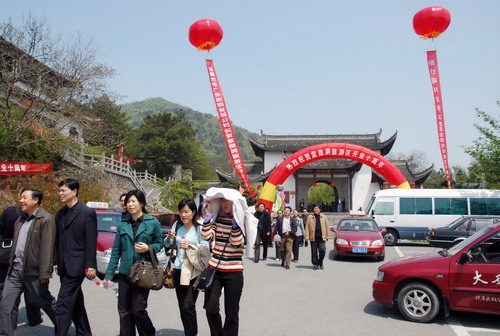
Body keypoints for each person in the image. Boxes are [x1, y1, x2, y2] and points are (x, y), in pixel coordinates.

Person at [103, 189, 162, 336]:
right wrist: (108, 275)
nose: (130, 204)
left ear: (142, 203)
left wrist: (149, 248)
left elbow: (160, 243)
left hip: (143, 272)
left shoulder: (152, 222)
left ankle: (148, 332)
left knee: (138, 310)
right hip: (125, 272)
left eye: (133, 201)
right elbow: (116, 251)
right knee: (124, 310)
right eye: (128, 202)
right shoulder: (123, 225)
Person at [201, 187, 258, 336]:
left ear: (235, 204)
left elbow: (237, 243)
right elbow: (206, 236)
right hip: (215, 269)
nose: (225, 203)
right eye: (223, 200)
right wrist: (207, 218)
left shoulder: (241, 221)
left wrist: (235, 224)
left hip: (234, 271)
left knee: (231, 312)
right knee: (210, 308)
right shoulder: (217, 218)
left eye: (228, 201)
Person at [0, 189, 57, 335]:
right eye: (20, 198)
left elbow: (47, 248)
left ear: (35, 200)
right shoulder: (20, 219)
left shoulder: (46, 219)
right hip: (15, 270)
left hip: (34, 271)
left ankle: (62, 321)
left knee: (44, 301)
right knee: (6, 305)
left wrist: (45, 272)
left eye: (24, 198)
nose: (21, 201)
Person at [54, 178, 97, 336]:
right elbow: (58, 241)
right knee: (76, 302)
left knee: (63, 303)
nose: (60, 194)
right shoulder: (60, 214)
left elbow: (90, 241)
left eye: (63, 190)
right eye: (59, 191)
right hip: (63, 265)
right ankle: (84, 333)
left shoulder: (87, 213)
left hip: (77, 265)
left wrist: (90, 265)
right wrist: (56, 261)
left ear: (74, 191)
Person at [164, 199, 209, 336]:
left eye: (186, 212)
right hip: (178, 269)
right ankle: (188, 331)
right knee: (182, 305)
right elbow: (166, 245)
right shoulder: (177, 226)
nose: (183, 215)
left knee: (188, 304)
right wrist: (168, 238)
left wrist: (190, 247)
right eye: (181, 212)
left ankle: (191, 333)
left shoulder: (199, 228)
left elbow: (206, 247)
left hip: (193, 270)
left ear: (193, 212)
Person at [0, 205, 43, 327]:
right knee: (31, 291)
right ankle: (34, 318)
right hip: (27, 256)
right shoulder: (37, 214)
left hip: (6, 254)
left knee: (5, 288)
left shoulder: (9, 211)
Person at [305, 205, 329, 270]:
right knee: (314, 252)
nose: (315, 210)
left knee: (323, 250)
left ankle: (320, 262)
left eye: (317, 208)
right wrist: (306, 236)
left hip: (321, 237)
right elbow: (307, 227)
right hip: (313, 237)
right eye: (314, 208)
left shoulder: (324, 217)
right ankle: (315, 264)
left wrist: (327, 236)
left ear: (319, 210)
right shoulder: (310, 217)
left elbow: (327, 227)